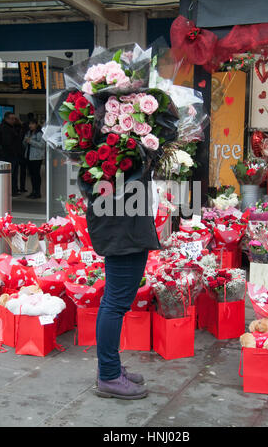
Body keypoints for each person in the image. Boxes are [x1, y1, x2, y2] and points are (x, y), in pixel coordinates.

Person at [80, 161, 160, 401]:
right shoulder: (112, 141)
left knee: (116, 302)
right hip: (122, 223)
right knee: (115, 303)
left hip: (125, 221)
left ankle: (109, 367)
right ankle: (109, 375)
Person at [0, 111, 22, 196]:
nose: (13, 121)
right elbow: (7, 143)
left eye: (14, 119)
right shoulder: (4, 128)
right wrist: (14, 151)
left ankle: (13, 190)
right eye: (11, 119)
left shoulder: (12, 127)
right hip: (8, 156)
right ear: (6, 119)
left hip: (13, 155)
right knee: (9, 175)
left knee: (14, 175)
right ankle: (9, 191)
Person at [23, 119, 45, 199]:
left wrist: (31, 141)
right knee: (31, 176)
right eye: (29, 124)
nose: (30, 126)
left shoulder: (40, 133)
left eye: (32, 124)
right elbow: (24, 143)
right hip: (28, 156)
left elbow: (42, 145)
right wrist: (25, 141)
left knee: (36, 175)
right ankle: (33, 191)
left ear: (36, 124)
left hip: (36, 157)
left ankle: (38, 192)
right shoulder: (28, 132)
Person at [13, 116, 27, 193]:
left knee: (21, 172)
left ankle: (22, 187)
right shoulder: (13, 129)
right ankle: (17, 188)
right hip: (18, 152)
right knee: (16, 172)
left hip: (21, 152)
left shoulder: (21, 128)